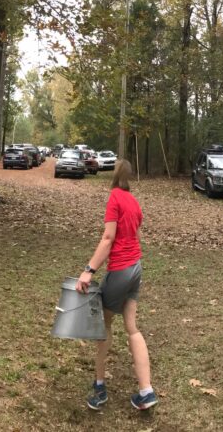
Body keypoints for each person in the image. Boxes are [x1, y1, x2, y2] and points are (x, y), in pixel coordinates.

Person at [75, 161, 157, 412]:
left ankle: (99, 388)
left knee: (104, 324)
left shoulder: (114, 198)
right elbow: (137, 235)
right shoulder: (133, 201)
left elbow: (108, 237)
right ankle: (146, 391)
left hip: (121, 269)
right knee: (132, 327)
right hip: (136, 268)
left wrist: (88, 271)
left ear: (114, 175)